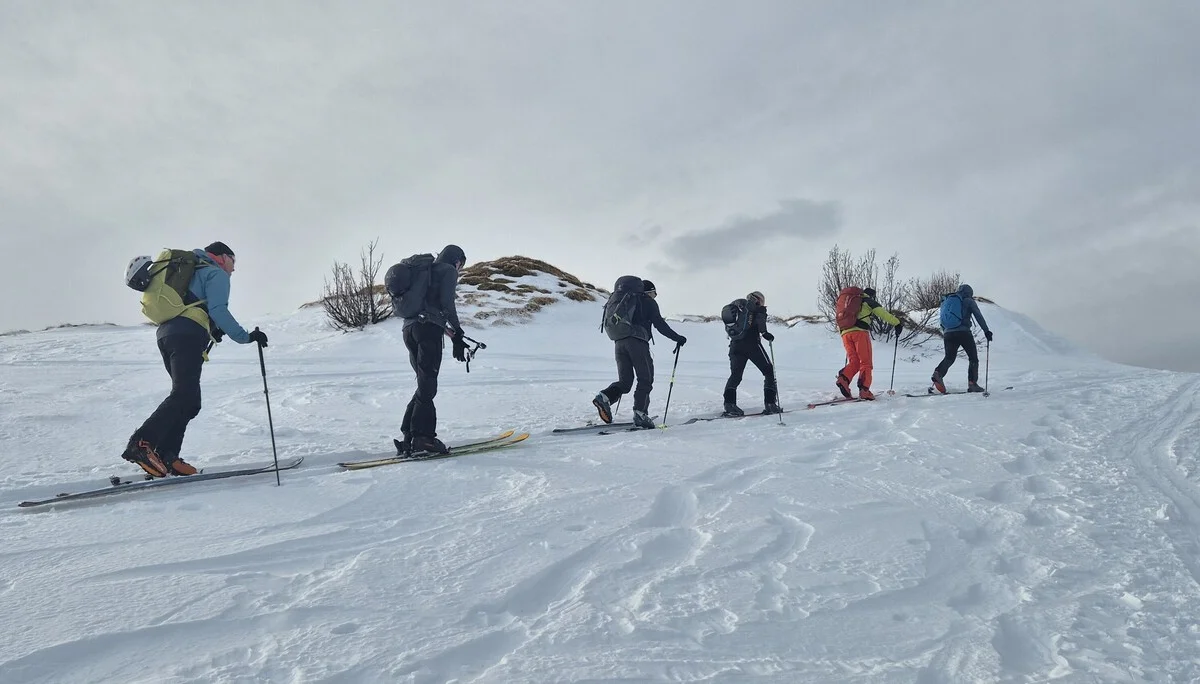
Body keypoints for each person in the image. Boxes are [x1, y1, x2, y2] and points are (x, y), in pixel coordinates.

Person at [122, 241, 267, 478]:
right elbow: (219, 310)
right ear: (222, 257)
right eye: (233, 260)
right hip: (187, 335)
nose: (234, 267)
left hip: (167, 336)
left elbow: (195, 305)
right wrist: (247, 337)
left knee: (189, 400)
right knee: (183, 395)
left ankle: (168, 456)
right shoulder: (215, 273)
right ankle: (141, 444)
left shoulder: (190, 271)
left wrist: (213, 329)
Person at [399, 244, 468, 455]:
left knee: (424, 383)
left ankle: (409, 437)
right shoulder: (447, 271)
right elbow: (447, 303)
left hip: (409, 330)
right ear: (457, 261)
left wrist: (449, 333)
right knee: (428, 385)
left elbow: (428, 310)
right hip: (427, 331)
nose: (459, 270)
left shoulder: (426, 273)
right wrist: (458, 329)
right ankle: (423, 439)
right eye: (461, 266)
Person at [593, 279, 687, 429]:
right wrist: (678, 338)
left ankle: (604, 397)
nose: (655, 296)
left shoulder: (625, 301)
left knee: (625, 382)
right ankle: (640, 413)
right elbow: (660, 324)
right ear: (649, 291)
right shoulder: (647, 301)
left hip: (619, 343)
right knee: (645, 378)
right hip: (637, 343)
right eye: (654, 293)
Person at [836, 287, 901, 401]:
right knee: (866, 362)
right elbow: (883, 313)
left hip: (845, 334)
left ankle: (843, 379)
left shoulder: (850, 302)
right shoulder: (867, 301)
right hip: (860, 333)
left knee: (854, 361)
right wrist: (897, 323)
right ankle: (864, 390)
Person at [722, 291, 781, 416]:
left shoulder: (739, 308)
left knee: (735, 376)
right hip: (752, 345)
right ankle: (770, 404)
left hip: (735, 346)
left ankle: (729, 405)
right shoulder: (756, 308)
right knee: (768, 372)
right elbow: (761, 322)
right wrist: (765, 333)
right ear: (758, 300)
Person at [931, 283, 993, 393]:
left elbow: (942, 319)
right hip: (964, 332)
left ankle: (938, 373)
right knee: (973, 358)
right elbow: (978, 316)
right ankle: (972, 383)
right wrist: (986, 331)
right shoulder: (968, 301)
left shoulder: (947, 301)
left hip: (948, 333)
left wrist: (946, 331)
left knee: (949, 358)